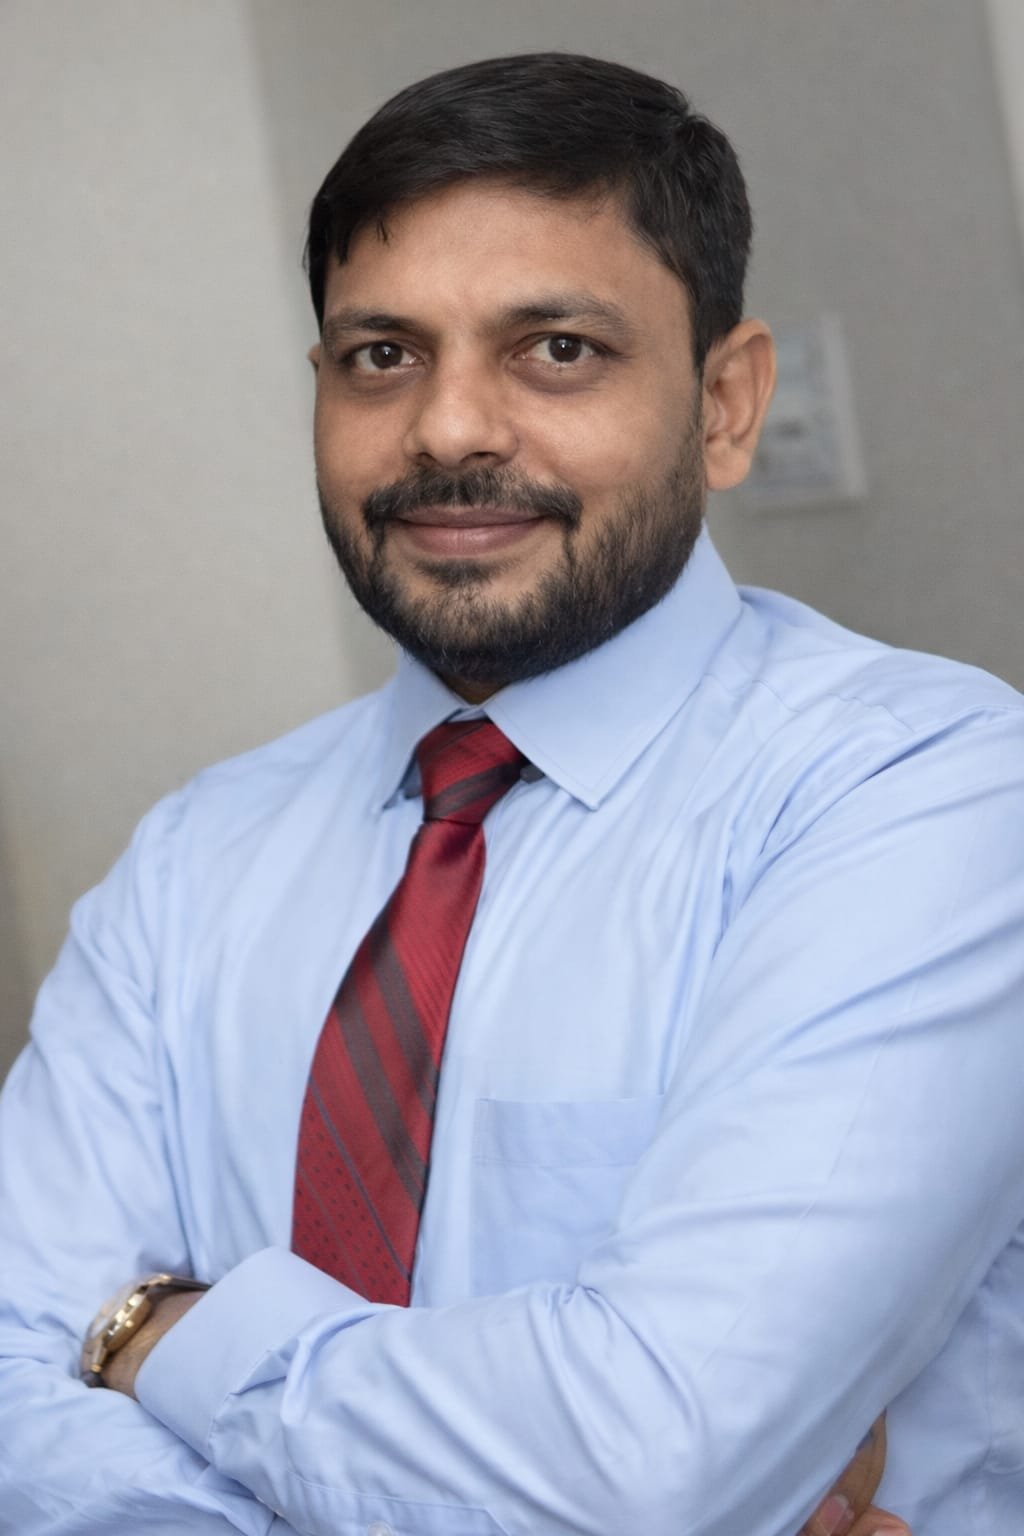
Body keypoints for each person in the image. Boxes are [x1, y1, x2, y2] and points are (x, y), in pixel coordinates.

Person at [0, 50, 1021, 1536]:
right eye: (382, 355)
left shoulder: (926, 795)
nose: (448, 430)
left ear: (725, 404)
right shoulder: (193, 860)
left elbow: (643, 1463)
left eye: (556, 349)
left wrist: (160, 1335)